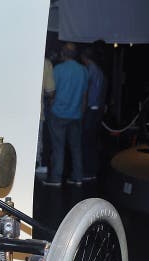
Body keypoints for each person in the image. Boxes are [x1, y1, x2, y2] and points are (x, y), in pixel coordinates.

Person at [43, 42, 87, 187]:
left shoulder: (58, 69)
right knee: (76, 148)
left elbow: (52, 92)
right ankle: (77, 177)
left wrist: (50, 106)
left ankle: (56, 178)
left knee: (58, 148)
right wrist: (82, 112)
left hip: (58, 113)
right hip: (76, 114)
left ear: (63, 53)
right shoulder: (83, 70)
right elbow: (85, 95)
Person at [80, 46, 106, 181]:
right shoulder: (98, 70)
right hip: (97, 109)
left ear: (85, 57)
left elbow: (87, 91)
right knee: (92, 141)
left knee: (87, 142)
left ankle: (88, 172)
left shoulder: (90, 70)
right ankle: (92, 171)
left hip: (91, 109)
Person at [36, 56, 55, 174]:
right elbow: (50, 91)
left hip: (13, 111)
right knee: (36, 143)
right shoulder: (45, 63)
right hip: (36, 111)